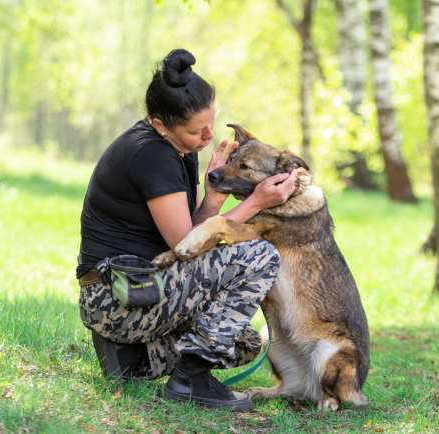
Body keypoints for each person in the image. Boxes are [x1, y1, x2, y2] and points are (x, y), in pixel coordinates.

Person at [76, 48, 297, 411]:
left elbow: (190, 230)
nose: (208, 135)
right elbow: (186, 244)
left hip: (145, 286)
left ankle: (132, 360)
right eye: (197, 130)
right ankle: (189, 380)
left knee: (244, 342)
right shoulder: (151, 154)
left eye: (211, 122)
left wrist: (213, 196)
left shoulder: (179, 148)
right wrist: (257, 201)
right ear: (161, 125)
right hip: (116, 298)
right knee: (258, 255)